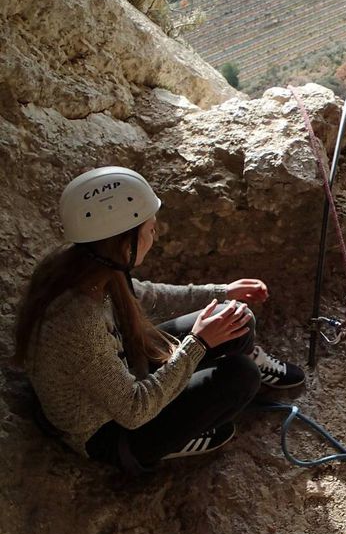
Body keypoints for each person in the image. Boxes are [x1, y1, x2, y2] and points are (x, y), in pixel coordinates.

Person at [13, 166, 305, 475]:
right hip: (111, 432)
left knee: (233, 317)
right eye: (150, 228)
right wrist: (199, 344)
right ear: (126, 244)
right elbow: (133, 409)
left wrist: (221, 291)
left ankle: (238, 358)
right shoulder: (78, 323)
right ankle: (170, 441)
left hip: (122, 369)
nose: (156, 233)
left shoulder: (86, 265)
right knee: (241, 376)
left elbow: (145, 294)